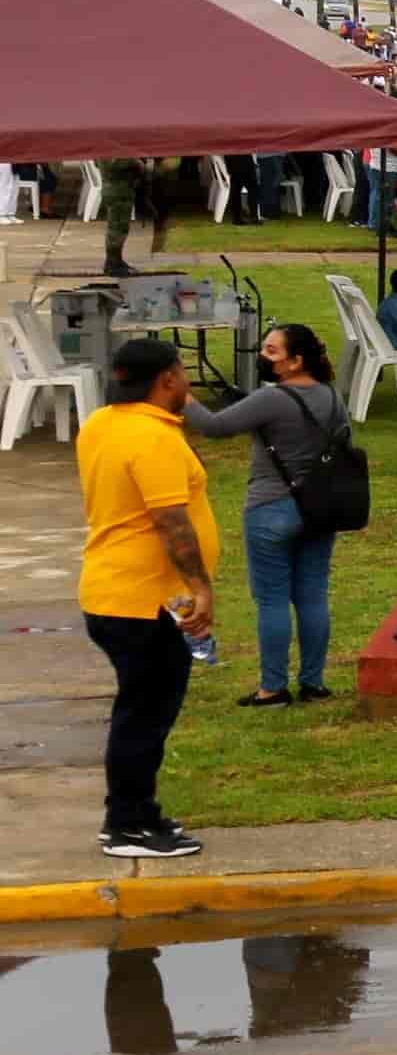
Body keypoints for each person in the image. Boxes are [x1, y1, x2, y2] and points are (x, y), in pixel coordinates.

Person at [79, 339, 216, 858]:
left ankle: (136, 813)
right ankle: (129, 824)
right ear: (166, 380)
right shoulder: (151, 438)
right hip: (143, 602)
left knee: (141, 708)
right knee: (144, 714)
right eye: (182, 372)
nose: (186, 381)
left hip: (110, 590)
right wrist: (199, 586)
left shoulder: (100, 425)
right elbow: (171, 522)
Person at [188, 323, 349, 707]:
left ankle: (273, 687)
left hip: (270, 509)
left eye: (273, 351)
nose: (264, 355)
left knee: (273, 600)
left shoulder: (273, 399)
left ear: (295, 362)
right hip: (320, 510)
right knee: (312, 597)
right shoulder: (331, 396)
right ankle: (313, 683)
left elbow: (214, 426)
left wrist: (182, 394)